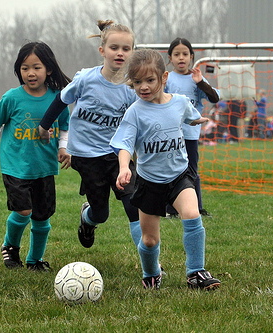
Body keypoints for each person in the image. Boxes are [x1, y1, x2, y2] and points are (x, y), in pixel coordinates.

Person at [110, 48, 221, 290]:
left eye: (150, 80)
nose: (144, 87)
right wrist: (123, 168)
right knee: (149, 241)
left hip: (180, 176)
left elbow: (189, 115)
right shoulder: (135, 112)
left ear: (164, 78)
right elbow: (124, 145)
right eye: (137, 82)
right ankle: (151, 272)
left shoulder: (179, 103)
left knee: (192, 214)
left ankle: (196, 272)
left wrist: (198, 120)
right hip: (149, 183)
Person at [38, 20, 141, 249]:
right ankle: (87, 218)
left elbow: (139, 121)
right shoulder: (86, 79)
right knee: (101, 213)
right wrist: (44, 126)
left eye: (126, 48)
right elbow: (61, 100)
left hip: (117, 154)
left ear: (133, 52)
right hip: (86, 157)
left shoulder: (132, 88)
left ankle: (151, 267)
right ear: (102, 50)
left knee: (134, 204)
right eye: (114, 48)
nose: (120, 53)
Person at [0, 41, 71, 271]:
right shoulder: (11, 98)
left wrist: (63, 148)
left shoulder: (57, 99)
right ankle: (10, 246)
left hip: (44, 167)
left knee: (42, 218)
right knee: (23, 211)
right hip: (15, 166)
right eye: (24, 68)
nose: (30, 73)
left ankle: (35, 260)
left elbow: (64, 127)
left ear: (48, 69)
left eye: (36, 67)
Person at [164, 38, 219, 219]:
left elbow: (214, 98)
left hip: (190, 135)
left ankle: (197, 208)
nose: (181, 58)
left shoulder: (197, 79)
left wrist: (200, 82)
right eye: (177, 54)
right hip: (169, 135)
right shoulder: (167, 78)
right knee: (169, 170)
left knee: (191, 171)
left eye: (185, 54)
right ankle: (170, 209)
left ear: (191, 57)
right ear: (170, 58)